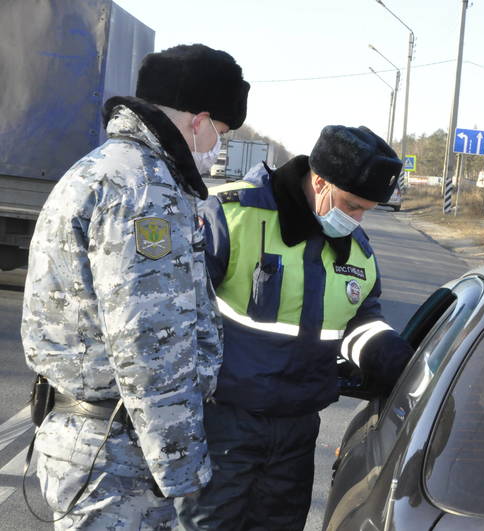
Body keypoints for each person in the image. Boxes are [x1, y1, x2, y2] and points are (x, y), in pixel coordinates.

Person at [20, 43, 249, 529]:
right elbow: (151, 345)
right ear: (199, 120)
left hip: (92, 439)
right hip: (116, 455)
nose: (219, 145)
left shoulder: (106, 167)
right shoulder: (144, 188)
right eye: (222, 132)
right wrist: (183, 467)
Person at [176, 125, 414, 530]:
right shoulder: (231, 215)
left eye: (365, 211)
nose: (356, 220)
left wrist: (396, 361)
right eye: (351, 205)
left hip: (297, 431)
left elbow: (359, 322)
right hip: (223, 423)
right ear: (319, 180)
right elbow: (174, 316)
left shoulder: (356, 249)